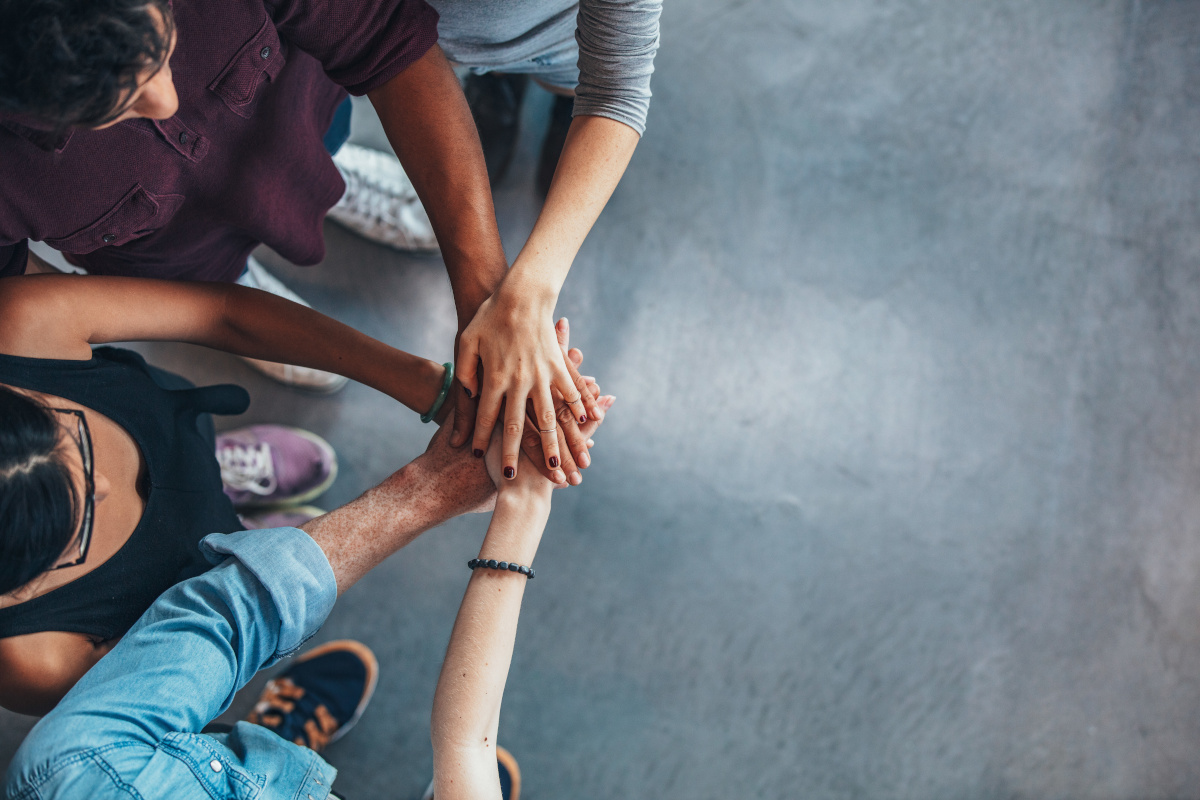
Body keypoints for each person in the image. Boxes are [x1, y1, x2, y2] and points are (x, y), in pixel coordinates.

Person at [0, 0, 606, 481]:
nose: (167, 98)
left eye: (164, 42)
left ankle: (334, 180)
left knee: (323, 145)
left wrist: (487, 302)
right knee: (208, 279)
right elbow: (186, 312)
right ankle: (246, 274)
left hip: (297, 110)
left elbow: (383, 42)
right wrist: (434, 388)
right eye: (115, 105)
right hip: (170, 258)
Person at [0, 272, 599, 716]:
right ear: (19, 587)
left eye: (66, 438)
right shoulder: (36, 659)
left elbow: (223, 312)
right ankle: (245, 549)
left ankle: (228, 485)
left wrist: (433, 391)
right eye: (73, 527)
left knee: (192, 455)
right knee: (235, 578)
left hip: (173, 430)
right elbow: (212, 644)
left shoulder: (21, 326)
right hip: (186, 586)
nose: (103, 481)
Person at [3, 390, 609, 799]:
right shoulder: (70, 767)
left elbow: (464, 745)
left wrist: (510, 503)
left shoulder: (77, 769)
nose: (102, 484)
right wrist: (520, 500)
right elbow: (463, 747)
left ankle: (273, 746)